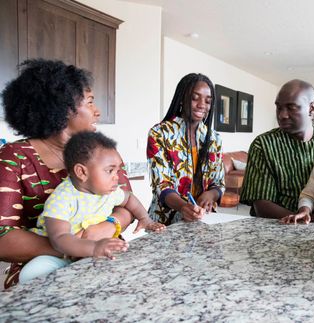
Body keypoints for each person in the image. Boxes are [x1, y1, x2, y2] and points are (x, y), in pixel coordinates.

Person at [0, 59, 134, 289]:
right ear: (62, 108)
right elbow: (3, 238)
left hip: (105, 258)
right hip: (40, 271)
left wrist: (110, 225)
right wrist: (76, 244)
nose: (97, 111)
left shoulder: (99, 151)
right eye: (90, 102)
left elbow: (126, 203)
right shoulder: (13, 157)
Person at [19, 131, 166, 283]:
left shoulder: (109, 192)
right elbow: (59, 239)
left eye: (118, 171)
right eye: (110, 171)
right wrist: (93, 247)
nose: (116, 177)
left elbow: (129, 198)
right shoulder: (62, 199)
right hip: (59, 257)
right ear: (82, 172)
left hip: (92, 254)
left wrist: (145, 219)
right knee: (31, 272)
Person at [240, 79, 314, 218]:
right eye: (279, 108)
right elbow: (262, 205)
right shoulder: (264, 144)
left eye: (291, 107)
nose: (282, 115)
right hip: (276, 228)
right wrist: (305, 221)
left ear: (311, 108)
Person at [147, 73, 224, 225]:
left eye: (208, 101)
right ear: (182, 98)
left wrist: (211, 194)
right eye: (195, 98)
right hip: (165, 222)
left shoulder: (214, 138)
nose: (202, 105)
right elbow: (162, 184)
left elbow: (218, 182)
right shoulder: (160, 133)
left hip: (203, 221)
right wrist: (183, 207)